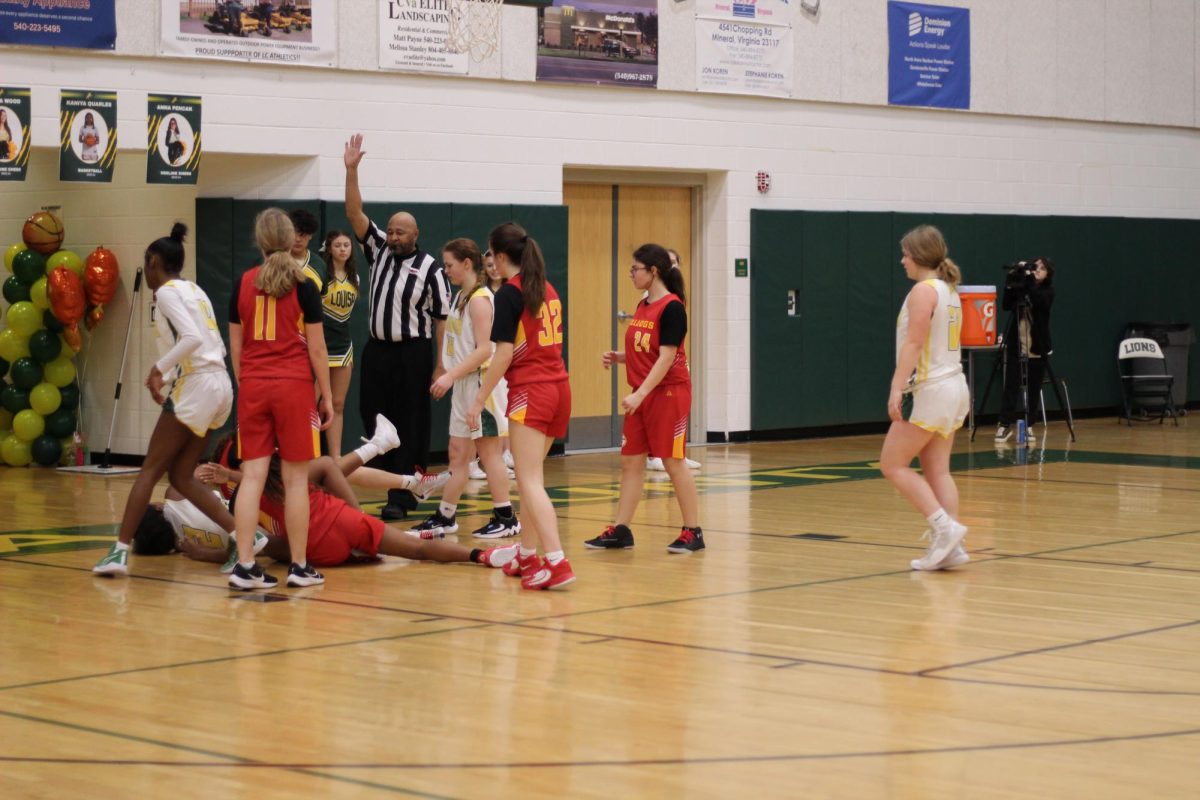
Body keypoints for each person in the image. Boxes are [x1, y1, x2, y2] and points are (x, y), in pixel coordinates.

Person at [94, 224, 237, 576]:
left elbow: (189, 339)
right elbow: (203, 343)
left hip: (199, 385)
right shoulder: (195, 290)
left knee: (150, 471)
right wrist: (168, 378)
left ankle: (119, 552)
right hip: (220, 385)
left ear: (153, 261)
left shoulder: (169, 293)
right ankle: (248, 536)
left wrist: (158, 370)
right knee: (182, 476)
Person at [343, 133, 451, 520]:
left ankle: (404, 495)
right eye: (390, 230)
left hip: (414, 353)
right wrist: (351, 170)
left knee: (410, 422)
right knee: (373, 416)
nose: (392, 236)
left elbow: (441, 321)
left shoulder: (432, 270)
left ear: (415, 235)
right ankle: (385, 482)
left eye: (400, 232)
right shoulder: (378, 251)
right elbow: (355, 214)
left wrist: (440, 366)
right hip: (377, 351)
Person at [170, 454, 517, 572]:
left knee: (270, 549)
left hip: (320, 553)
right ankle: (481, 555)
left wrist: (203, 554)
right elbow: (324, 467)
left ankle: (355, 549)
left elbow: (252, 547)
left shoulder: (244, 507)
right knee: (418, 550)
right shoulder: (277, 478)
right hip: (342, 520)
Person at [226, 207, 333, 590]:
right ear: (291, 240)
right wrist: (328, 398)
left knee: (252, 476)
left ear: (259, 241)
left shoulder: (242, 282)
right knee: (295, 481)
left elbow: (235, 348)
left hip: (254, 386)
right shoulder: (305, 284)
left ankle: (244, 565)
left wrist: (249, 385)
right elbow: (318, 351)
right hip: (293, 388)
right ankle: (300, 566)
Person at [467, 222, 574, 590]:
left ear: (498, 257)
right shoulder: (546, 288)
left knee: (528, 482)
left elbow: (503, 354)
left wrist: (480, 397)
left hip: (533, 391)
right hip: (560, 389)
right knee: (533, 482)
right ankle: (528, 554)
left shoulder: (509, 295)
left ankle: (558, 562)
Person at [587, 244, 703, 554]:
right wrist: (621, 357)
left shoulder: (673, 308)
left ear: (653, 271)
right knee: (630, 463)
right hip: (642, 395)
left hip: (667, 394)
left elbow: (667, 357)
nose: (631, 273)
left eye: (635, 268)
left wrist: (640, 393)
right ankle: (621, 530)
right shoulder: (643, 304)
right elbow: (648, 349)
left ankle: (693, 531)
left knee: (672, 462)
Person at [879, 225, 971, 572]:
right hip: (955, 386)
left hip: (932, 388)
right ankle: (953, 546)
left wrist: (896, 387)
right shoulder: (948, 290)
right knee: (938, 471)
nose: (902, 260)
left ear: (918, 256)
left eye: (905, 254)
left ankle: (945, 528)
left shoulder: (923, 291)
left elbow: (914, 343)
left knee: (892, 464)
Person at [418, 238, 521, 540]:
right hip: (464, 382)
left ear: (466, 264)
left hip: (481, 384)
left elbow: (485, 350)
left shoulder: (479, 299)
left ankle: (506, 516)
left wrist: (449, 376)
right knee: (457, 454)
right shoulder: (461, 296)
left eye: (449, 265)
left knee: (489, 455)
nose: (446, 270)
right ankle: (446, 515)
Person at [644, 248, 701, 473]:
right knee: (657, 410)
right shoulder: (652, 297)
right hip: (659, 362)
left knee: (679, 407)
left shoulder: (677, 297)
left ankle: (678, 453)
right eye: (669, 262)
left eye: (676, 261)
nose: (673, 265)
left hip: (675, 361)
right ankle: (655, 453)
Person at [467, 249, 515, 482]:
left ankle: (503, 456)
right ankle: (474, 461)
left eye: (496, 263)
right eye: (489, 265)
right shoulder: (481, 296)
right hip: (485, 360)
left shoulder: (509, 292)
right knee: (480, 415)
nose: (494, 268)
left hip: (502, 357)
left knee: (501, 412)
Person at [995, 258, 1055, 443]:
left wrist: (1028, 280)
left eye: (1042, 268)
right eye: (1035, 266)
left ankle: (1029, 425)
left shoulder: (1047, 291)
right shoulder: (1023, 287)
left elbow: (1038, 302)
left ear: (1048, 275)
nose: (1037, 270)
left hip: (1038, 347)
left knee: (1033, 388)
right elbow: (1006, 305)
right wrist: (1011, 280)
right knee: (1011, 386)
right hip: (1017, 345)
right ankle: (1004, 425)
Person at [317, 230, 360, 458]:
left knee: (338, 404)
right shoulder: (321, 275)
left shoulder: (355, 278)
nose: (343, 249)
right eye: (338, 245)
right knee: (312, 406)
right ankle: (310, 456)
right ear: (329, 249)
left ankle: (336, 459)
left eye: (346, 245)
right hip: (321, 346)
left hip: (343, 346)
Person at [289, 208, 325, 289]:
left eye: (303, 234)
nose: (298, 239)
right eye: (294, 233)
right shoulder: (273, 262)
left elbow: (322, 299)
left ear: (310, 235)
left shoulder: (319, 264)